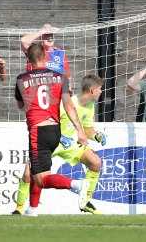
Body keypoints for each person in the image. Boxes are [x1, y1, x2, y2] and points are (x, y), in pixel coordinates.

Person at [13, 74, 106, 216]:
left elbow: (87, 129)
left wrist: (96, 135)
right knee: (29, 174)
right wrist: (60, 136)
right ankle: (19, 208)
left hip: (71, 144)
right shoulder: (68, 103)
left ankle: (85, 201)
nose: (101, 92)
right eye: (100, 89)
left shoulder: (90, 106)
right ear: (92, 90)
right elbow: (51, 119)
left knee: (96, 162)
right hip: (53, 140)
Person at [14, 42, 89, 215]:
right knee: (35, 168)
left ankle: (75, 185)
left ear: (28, 59)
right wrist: (80, 130)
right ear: (45, 57)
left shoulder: (21, 79)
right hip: (55, 130)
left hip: (37, 130)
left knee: (40, 178)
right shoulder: (60, 77)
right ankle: (32, 209)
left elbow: (20, 105)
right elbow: (69, 105)